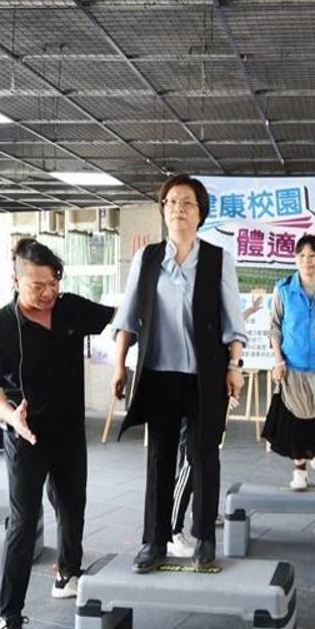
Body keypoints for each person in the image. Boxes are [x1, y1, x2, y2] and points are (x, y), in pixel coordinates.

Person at [0, 238, 114, 629]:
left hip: (70, 432)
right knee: (24, 521)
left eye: (52, 281)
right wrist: (10, 416)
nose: (46, 292)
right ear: (15, 282)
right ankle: (9, 618)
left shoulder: (71, 309)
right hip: (26, 434)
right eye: (36, 284)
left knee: (73, 506)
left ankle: (68, 573)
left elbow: (123, 317)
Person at [111, 174, 248, 573]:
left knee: (204, 455)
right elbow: (128, 315)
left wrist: (234, 366)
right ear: (163, 210)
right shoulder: (148, 258)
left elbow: (232, 318)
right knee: (160, 458)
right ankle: (153, 542)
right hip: (160, 373)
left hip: (205, 376)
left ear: (200, 212)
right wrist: (120, 364)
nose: (178, 209)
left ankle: (204, 537)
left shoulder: (218, 259)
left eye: (187, 203)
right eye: (171, 202)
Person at [168, 291, 265, 558]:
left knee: (204, 459)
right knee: (190, 461)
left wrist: (250, 311)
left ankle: (200, 513)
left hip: (212, 398)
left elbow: (228, 327)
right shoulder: (187, 311)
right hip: (192, 395)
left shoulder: (216, 316)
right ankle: (171, 530)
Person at [262, 234, 315, 491]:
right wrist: (278, 362)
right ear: (295, 259)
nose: (307, 261)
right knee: (296, 423)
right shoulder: (284, 289)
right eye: (302, 256)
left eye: (313, 256)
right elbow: (274, 328)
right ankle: (300, 472)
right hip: (292, 367)